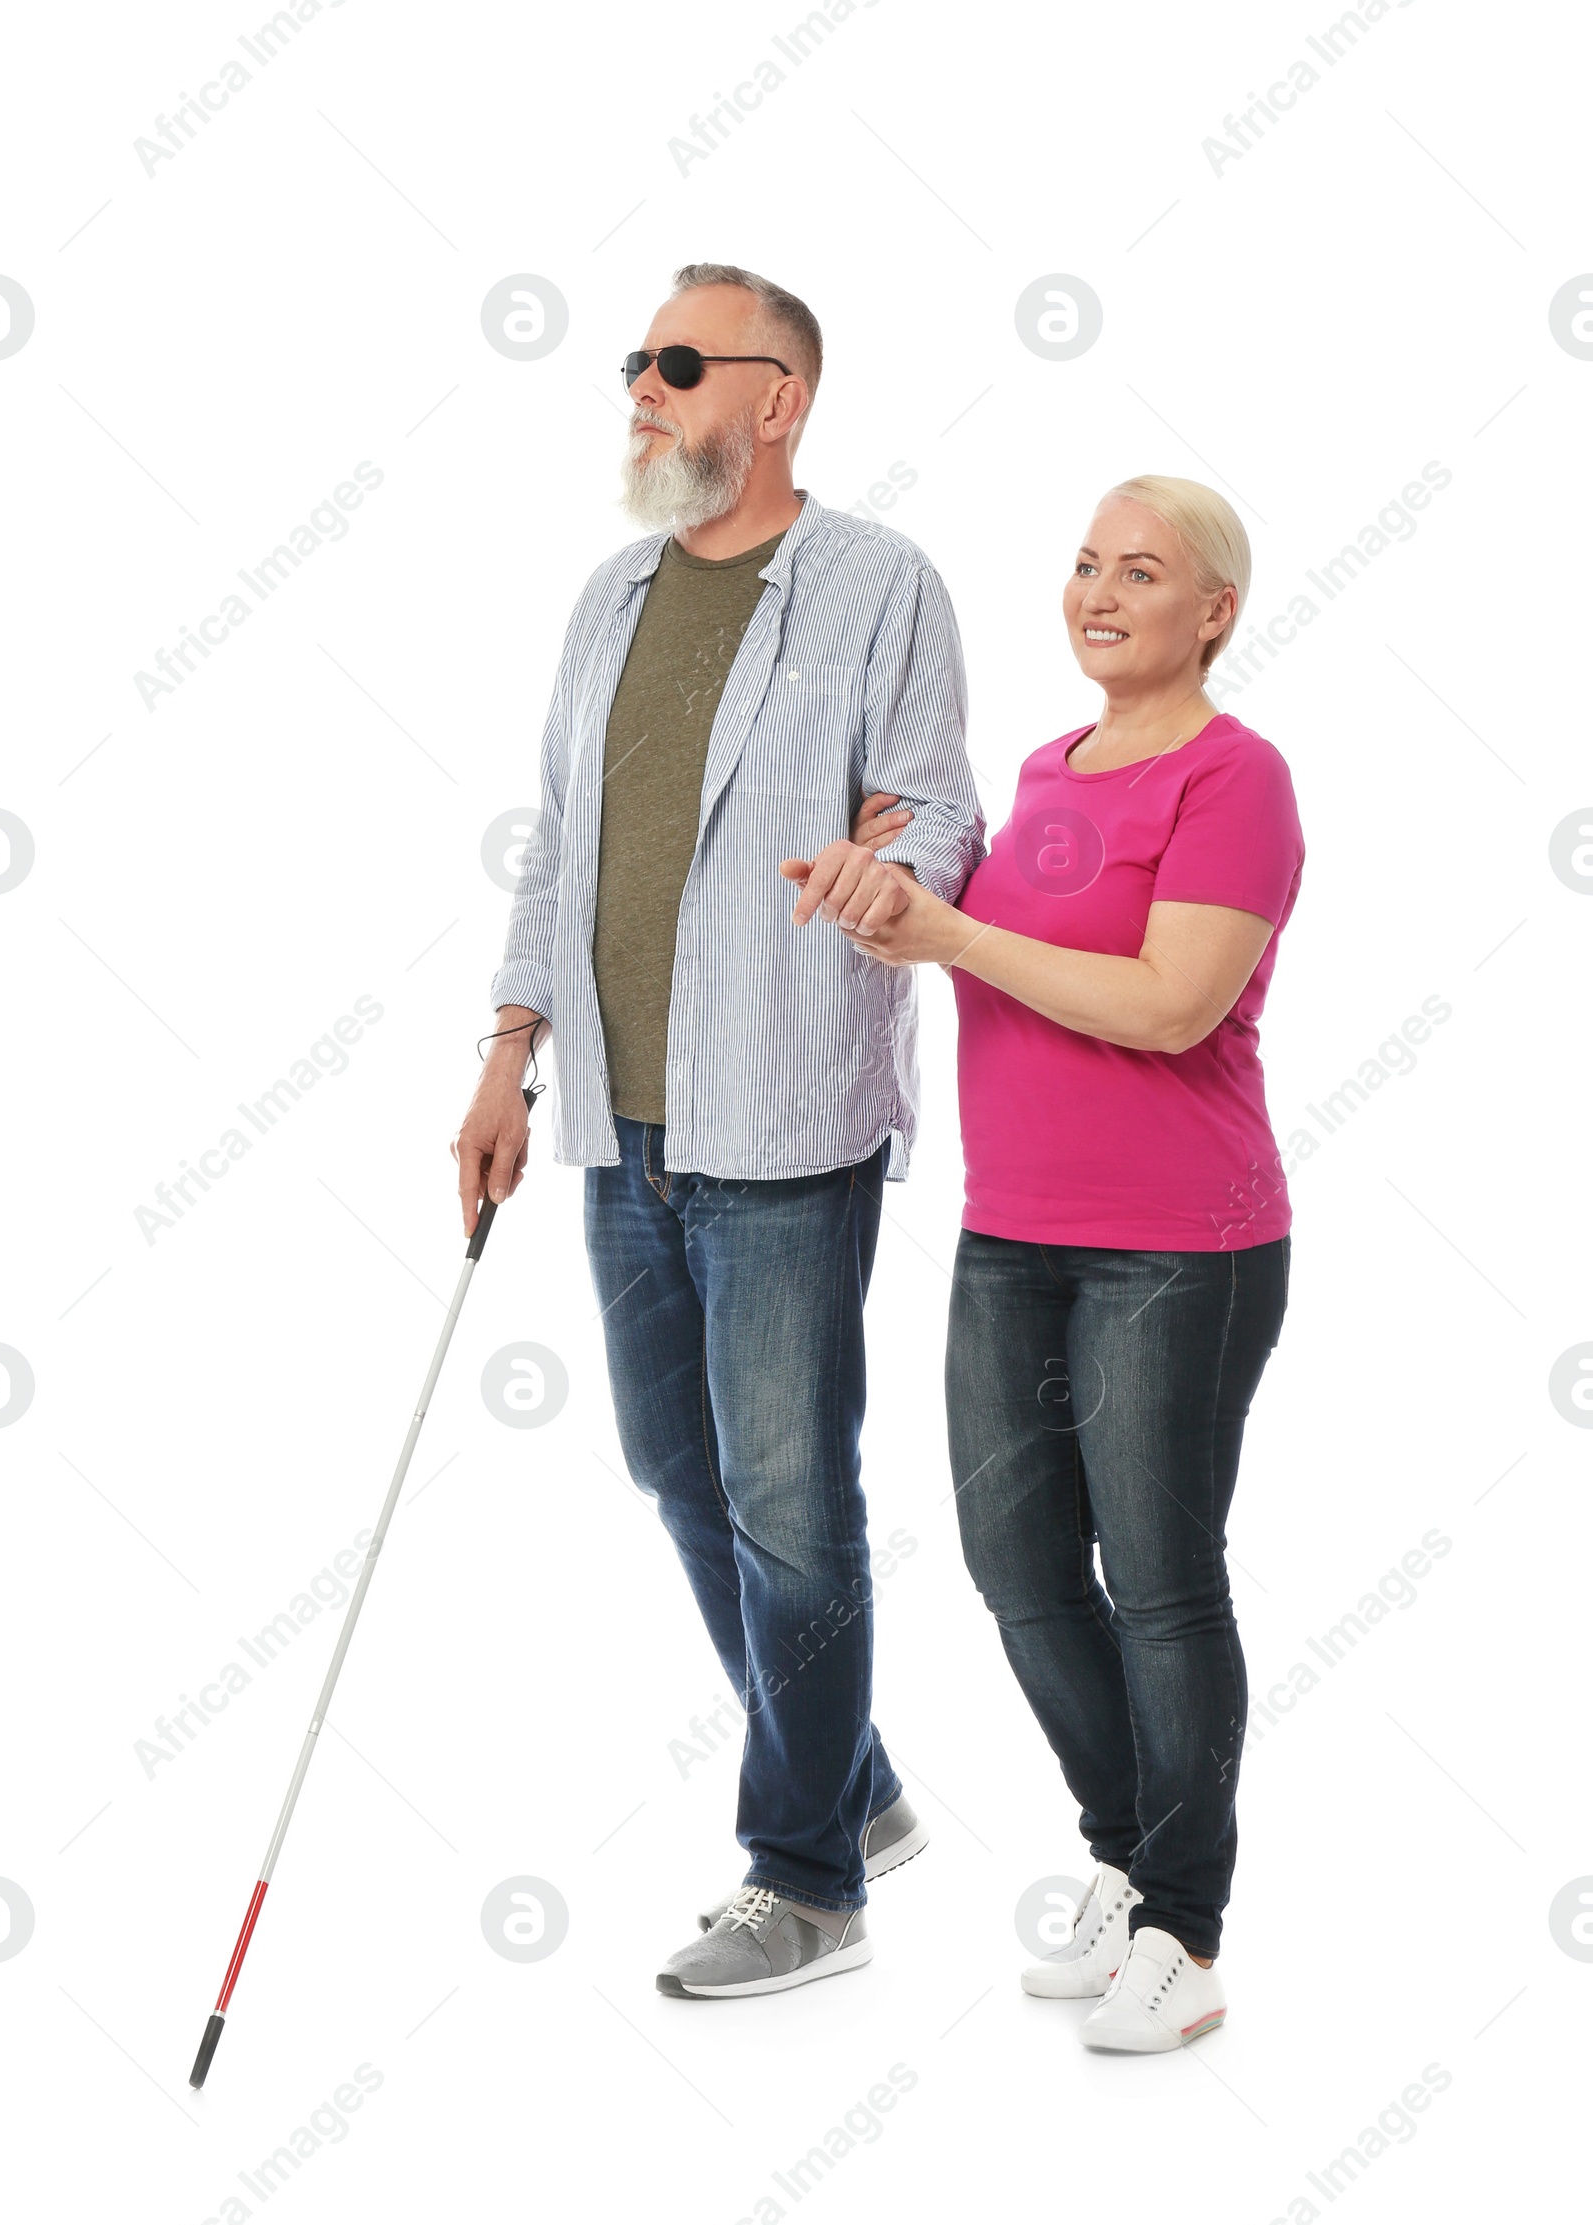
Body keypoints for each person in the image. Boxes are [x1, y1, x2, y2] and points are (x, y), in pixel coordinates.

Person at [455, 262, 985, 2000]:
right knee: (677, 1473)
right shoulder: (609, 599)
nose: (642, 389)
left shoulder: (878, 585)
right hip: (616, 1113)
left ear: (779, 400)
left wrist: (886, 872)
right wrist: (506, 1053)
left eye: (679, 364)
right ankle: (862, 1780)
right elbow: (562, 838)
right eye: (637, 360)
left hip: (782, 1117)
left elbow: (939, 805)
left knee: (790, 1500)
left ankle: (806, 1877)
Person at [820, 475, 1303, 2052]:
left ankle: (1188, 1929)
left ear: (1214, 610)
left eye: (1142, 571)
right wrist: (893, 896)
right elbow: (1003, 947)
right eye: (1086, 565)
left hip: (1180, 1251)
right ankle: (1133, 1859)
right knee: (1020, 1569)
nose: (1099, 591)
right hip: (1011, 1237)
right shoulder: (1044, 768)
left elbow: (1169, 1004)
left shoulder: (1238, 779)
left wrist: (956, 940)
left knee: (1160, 1585)